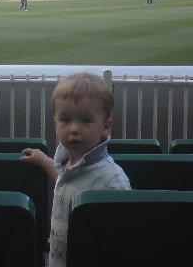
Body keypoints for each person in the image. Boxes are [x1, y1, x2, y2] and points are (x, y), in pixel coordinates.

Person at [20, 72, 131, 267]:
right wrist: (44, 161)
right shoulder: (69, 163)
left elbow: (121, 240)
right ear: (55, 124)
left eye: (86, 120)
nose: (74, 129)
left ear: (106, 127)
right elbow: (66, 181)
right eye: (66, 119)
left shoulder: (114, 181)